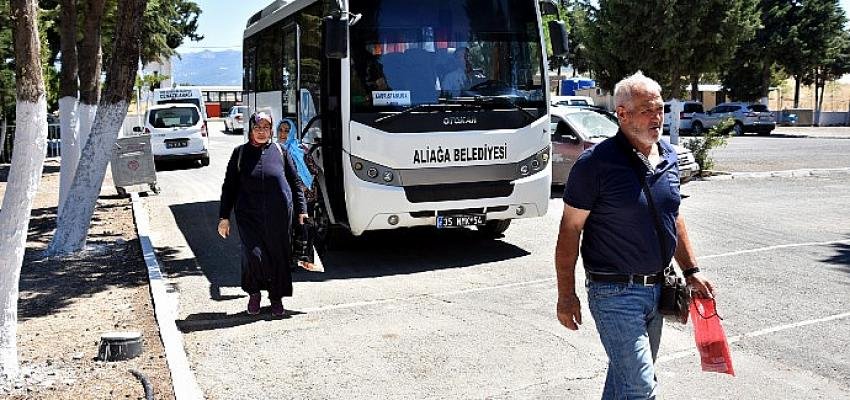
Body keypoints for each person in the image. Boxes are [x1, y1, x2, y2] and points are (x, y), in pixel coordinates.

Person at [554, 71, 715, 399]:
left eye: (660, 109)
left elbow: (673, 216)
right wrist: (566, 295)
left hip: (658, 288)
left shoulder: (668, 156)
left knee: (625, 385)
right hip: (614, 292)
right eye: (647, 110)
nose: (657, 116)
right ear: (622, 114)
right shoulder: (595, 164)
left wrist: (692, 271)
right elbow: (569, 230)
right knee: (641, 386)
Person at [217, 112, 308, 317]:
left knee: (278, 256)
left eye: (266, 128)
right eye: (257, 128)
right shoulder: (239, 153)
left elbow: (295, 183)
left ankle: (276, 298)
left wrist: (302, 210)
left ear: (270, 130)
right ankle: (255, 293)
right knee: (254, 256)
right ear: (251, 129)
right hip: (248, 216)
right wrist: (224, 217)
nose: (261, 132)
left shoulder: (280, 151)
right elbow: (229, 187)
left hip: (279, 216)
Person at [276, 118, 320, 271]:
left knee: (303, 227)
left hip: (304, 194)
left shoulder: (300, 149)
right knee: (286, 228)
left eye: (286, 131)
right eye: (280, 130)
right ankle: (289, 260)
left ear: (292, 132)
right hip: (285, 195)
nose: (282, 134)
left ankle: (305, 258)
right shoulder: (274, 150)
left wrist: (301, 182)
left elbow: (314, 170)